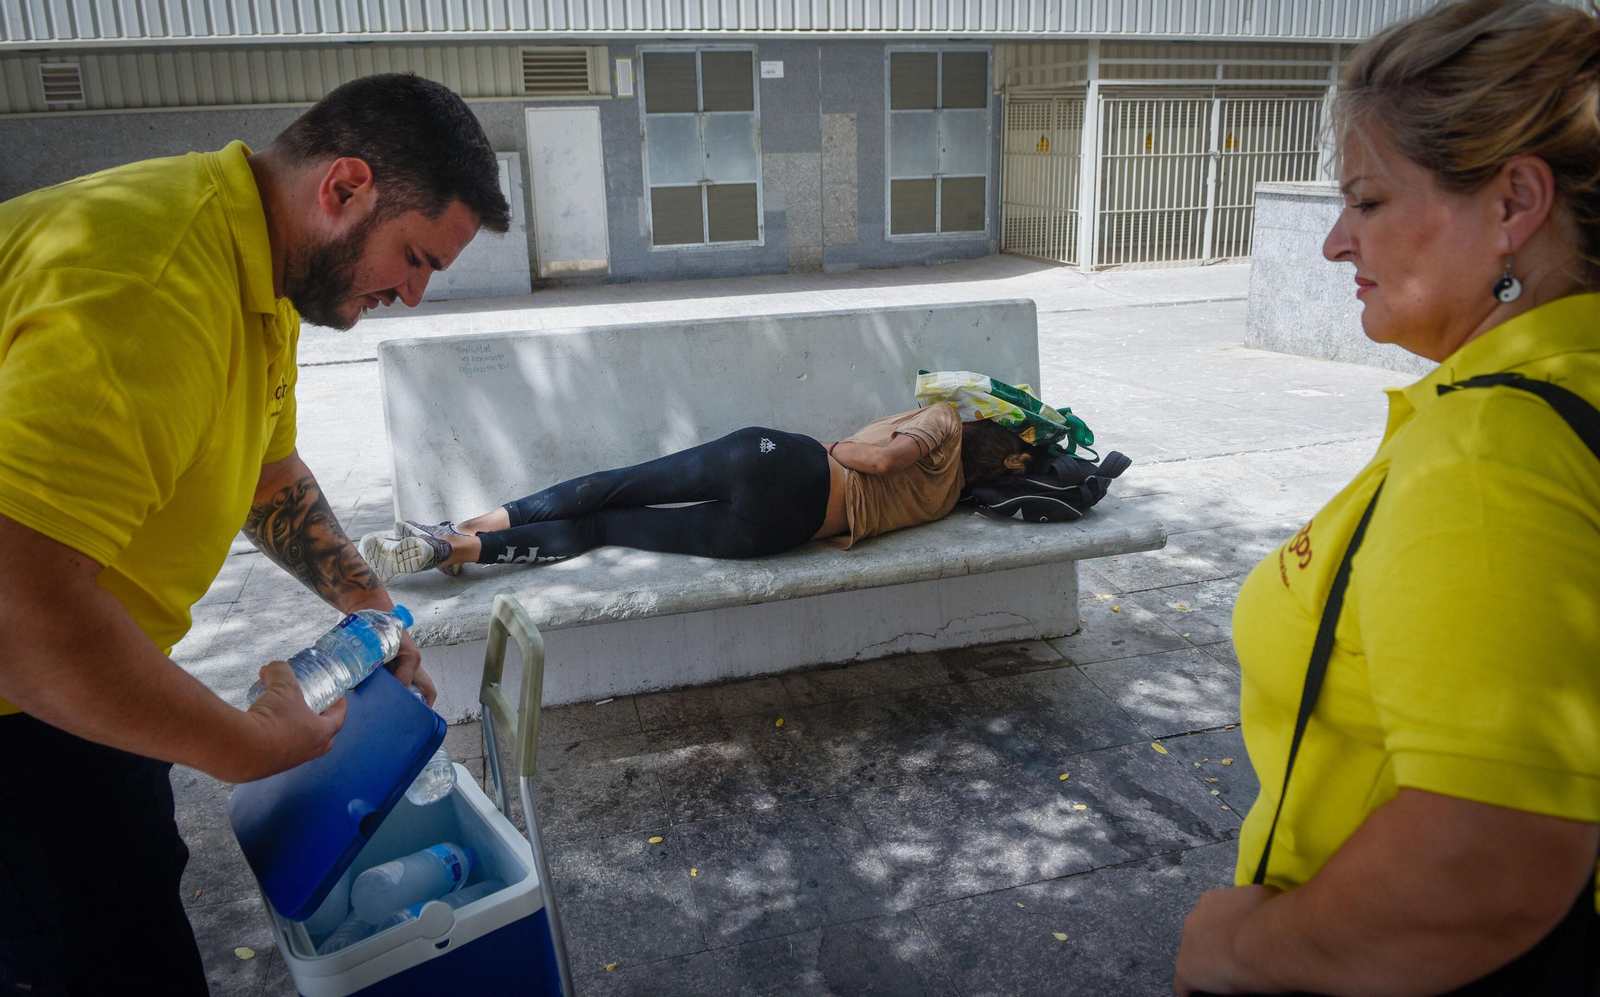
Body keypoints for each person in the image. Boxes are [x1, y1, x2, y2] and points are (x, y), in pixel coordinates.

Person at [0, 74, 510, 995]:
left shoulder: (258, 273)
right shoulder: (153, 290)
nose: (417, 294)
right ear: (345, 187)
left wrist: (374, 609)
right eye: (417, 258)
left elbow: (271, 478)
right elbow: (15, 612)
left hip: (79, 686)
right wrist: (249, 745)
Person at [1174, 1, 1600, 994]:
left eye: (1365, 201)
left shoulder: (1492, 453)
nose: (1333, 242)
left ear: (1512, 205)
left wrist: (1239, 950)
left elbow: (1485, 855)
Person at [357, 404, 1038, 581]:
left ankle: (447, 534)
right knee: (606, 526)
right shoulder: (950, 498)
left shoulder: (946, 422)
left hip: (785, 466)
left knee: (608, 487)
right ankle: (455, 548)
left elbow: (882, 462)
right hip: (776, 535)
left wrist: (834, 448)